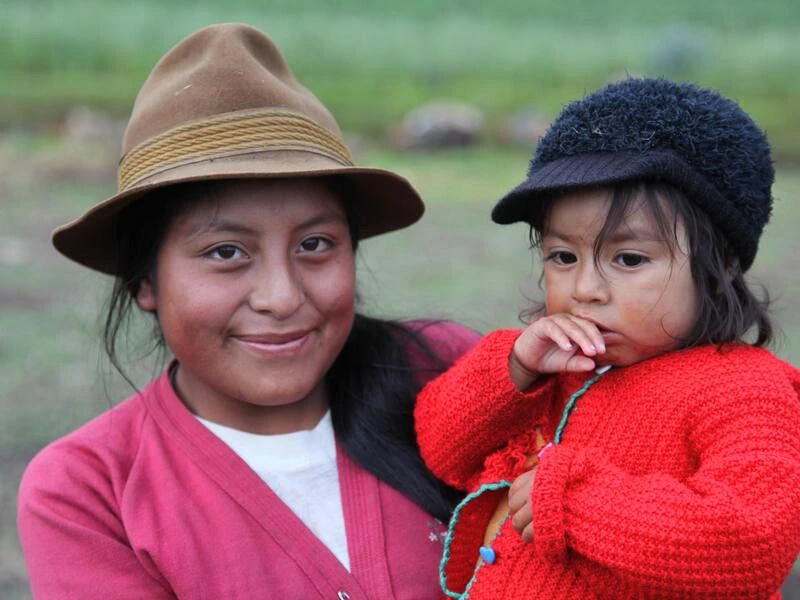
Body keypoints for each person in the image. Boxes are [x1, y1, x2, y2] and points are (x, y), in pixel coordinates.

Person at [18, 23, 479, 599]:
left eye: (315, 245)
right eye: (226, 252)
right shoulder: (89, 491)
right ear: (144, 280)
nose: (282, 297)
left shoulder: (455, 375)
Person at [415, 77, 800, 598]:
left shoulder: (746, 392)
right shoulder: (552, 367)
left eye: (629, 259)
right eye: (562, 257)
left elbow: (752, 543)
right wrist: (512, 368)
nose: (586, 289)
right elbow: (442, 451)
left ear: (722, 266)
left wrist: (572, 503)